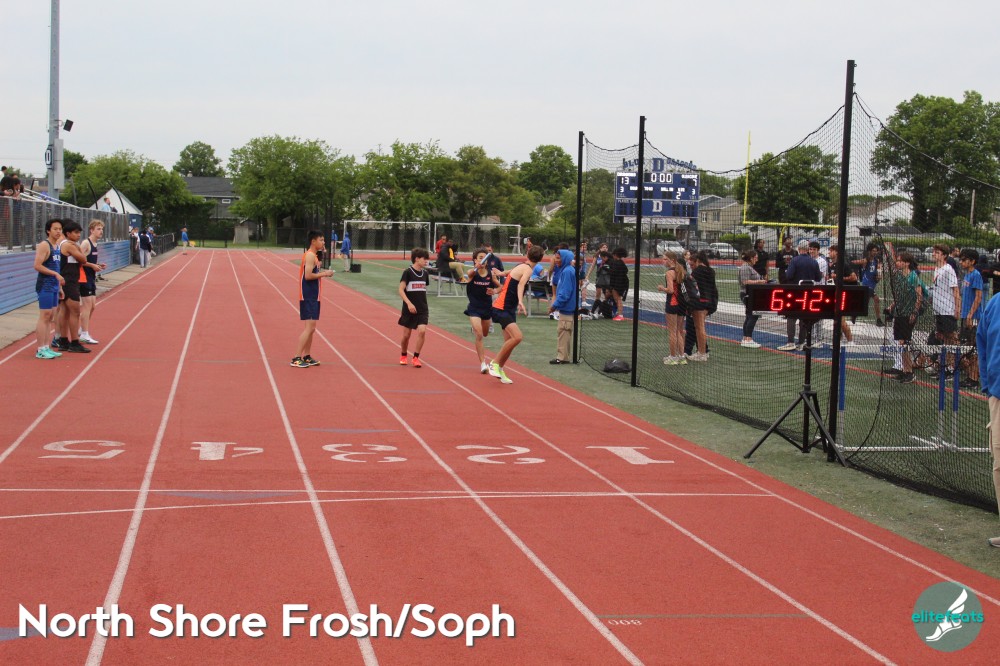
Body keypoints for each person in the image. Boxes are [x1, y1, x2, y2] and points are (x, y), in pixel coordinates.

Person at [488, 245, 545, 384]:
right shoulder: (528, 269)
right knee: (517, 337)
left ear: (527, 254)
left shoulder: (521, 266)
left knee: (509, 342)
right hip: (502, 308)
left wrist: (501, 273)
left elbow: (510, 272)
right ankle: (494, 363)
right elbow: (521, 285)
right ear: (541, 259)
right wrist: (520, 301)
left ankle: (500, 369)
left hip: (508, 309)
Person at [975, 288, 1000, 547]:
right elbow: (981, 341)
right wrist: (988, 384)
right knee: (999, 462)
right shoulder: (995, 304)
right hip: (998, 395)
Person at [290, 231, 335, 368]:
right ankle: (296, 358)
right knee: (309, 328)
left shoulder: (314, 256)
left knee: (312, 328)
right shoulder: (309, 255)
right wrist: (325, 274)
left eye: (323, 240)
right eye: (321, 240)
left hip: (314, 295)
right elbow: (308, 276)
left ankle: (307, 356)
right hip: (308, 295)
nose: (323, 242)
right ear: (313, 241)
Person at [54, 221, 100, 354]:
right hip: (69, 282)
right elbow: (83, 259)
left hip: (69, 280)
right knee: (74, 312)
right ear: (68, 233)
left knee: (65, 312)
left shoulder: (68, 244)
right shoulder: (69, 245)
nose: (78, 235)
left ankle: (63, 341)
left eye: (79, 232)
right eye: (75, 232)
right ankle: (74, 342)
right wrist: (78, 248)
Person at [777, 240, 822, 351]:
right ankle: (801, 342)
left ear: (799, 249)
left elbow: (789, 275)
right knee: (804, 318)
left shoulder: (795, 260)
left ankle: (791, 342)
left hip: (796, 291)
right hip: (809, 293)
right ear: (808, 249)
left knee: (791, 317)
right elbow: (818, 278)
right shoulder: (814, 262)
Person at [887, 251, 923, 384]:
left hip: (907, 314)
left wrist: (914, 312)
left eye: (900, 261)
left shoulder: (913, 276)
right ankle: (905, 369)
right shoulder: (900, 276)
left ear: (907, 263)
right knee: (901, 342)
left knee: (904, 342)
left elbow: (919, 296)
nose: (898, 263)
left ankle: (909, 372)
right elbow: (900, 296)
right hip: (899, 313)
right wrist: (892, 306)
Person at [32, 219, 65, 359]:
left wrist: (60, 287)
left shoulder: (57, 246)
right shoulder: (44, 245)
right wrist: (55, 274)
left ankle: (46, 347)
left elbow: (56, 266)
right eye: (55, 229)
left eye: (60, 229)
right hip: (45, 285)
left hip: (54, 286)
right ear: (48, 230)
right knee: (44, 315)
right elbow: (37, 265)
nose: (58, 231)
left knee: (51, 316)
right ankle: (40, 349)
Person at [464, 248, 500, 373]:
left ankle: (477, 327)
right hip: (474, 308)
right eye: (480, 258)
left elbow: (501, 287)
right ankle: (483, 364)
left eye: (485, 258)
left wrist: (494, 291)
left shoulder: (491, 274)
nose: (483, 260)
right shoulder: (472, 273)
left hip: (486, 309)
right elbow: (470, 273)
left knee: (485, 333)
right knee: (479, 334)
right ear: (475, 260)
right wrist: (476, 267)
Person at [930, 243, 961, 374]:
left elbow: (956, 290)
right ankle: (946, 365)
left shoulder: (948, 269)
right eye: (934, 252)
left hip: (947, 309)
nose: (933, 254)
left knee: (952, 338)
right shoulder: (937, 269)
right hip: (938, 309)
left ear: (944, 255)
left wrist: (957, 309)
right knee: (944, 338)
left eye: (937, 252)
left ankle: (954, 367)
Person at [398, 247, 431, 368]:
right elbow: (401, 290)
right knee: (406, 336)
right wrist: (409, 303)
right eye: (424, 258)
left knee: (422, 331)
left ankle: (416, 357)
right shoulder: (407, 272)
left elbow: (422, 289)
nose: (426, 261)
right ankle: (403, 355)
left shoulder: (425, 274)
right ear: (417, 259)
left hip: (422, 309)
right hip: (409, 309)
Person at [78, 220, 107, 345]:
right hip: (84, 278)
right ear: (91, 230)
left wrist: (98, 265)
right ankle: (84, 334)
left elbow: (89, 260)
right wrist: (92, 265)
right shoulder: (86, 243)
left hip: (91, 277)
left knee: (93, 306)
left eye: (102, 229)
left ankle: (81, 329)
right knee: (87, 306)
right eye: (98, 229)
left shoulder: (95, 244)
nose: (101, 231)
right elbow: (78, 259)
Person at [959, 248, 984, 388]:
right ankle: (971, 376)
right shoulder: (967, 275)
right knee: (967, 347)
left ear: (972, 261)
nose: (961, 262)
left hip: (973, 316)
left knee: (974, 347)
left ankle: (974, 379)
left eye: (964, 260)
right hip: (965, 315)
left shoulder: (976, 275)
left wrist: (970, 315)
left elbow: (978, 297)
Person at [658, 251, 688, 363]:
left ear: (672, 260)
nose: (663, 261)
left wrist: (662, 288)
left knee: (672, 331)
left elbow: (670, 290)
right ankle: (681, 356)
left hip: (673, 303)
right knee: (679, 331)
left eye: (665, 259)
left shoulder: (669, 273)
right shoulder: (681, 271)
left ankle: (673, 357)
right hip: (682, 304)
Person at [548, 248, 577, 364]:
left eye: (558, 258)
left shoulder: (567, 271)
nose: (556, 260)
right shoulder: (567, 270)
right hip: (567, 308)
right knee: (564, 333)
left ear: (565, 259)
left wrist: (554, 306)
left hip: (567, 308)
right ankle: (564, 356)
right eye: (555, 258)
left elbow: (565, 293)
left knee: (563, 332)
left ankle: (562, 358)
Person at [685, 251, 716, 359]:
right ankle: (702, 352)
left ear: (697, 260)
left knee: (699, 328)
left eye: (692, 264)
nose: (691, 266)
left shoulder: (697, 272)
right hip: (708, 302)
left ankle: (702, 353)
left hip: (699, 302)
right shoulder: (710, 270)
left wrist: (689, 303)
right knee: (699, 327)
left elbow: (692, 288)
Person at [738, 250, 767, 348]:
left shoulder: (749, 267)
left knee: (749, 316)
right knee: (753, 315)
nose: (757, 260)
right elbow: (745, 282)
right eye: (756, 257)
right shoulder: (745, 267)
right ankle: (748, 339)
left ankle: (745, 338)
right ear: (751, 258)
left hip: (751, 294)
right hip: (747, 294)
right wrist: (759, 282)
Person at [827, 246, 855, 346]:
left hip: (843, 294)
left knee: (841, 319)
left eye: (831, 251)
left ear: (837, 252)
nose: (829, 253)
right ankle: (838, 341)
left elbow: (854, 277)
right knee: (836, 319)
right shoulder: (832, 265)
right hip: (835, 293)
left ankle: (850, 341)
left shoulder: (843, 264)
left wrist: (839, 278)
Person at [854, 242, 882, 325]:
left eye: (876, 251)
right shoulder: (866, 260)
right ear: (869, 251)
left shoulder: (876, 261)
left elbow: (876, 272)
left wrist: (878, 277)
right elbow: (857, 262)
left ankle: (854, 314)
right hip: (866, 284)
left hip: (872, 284)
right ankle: (878, 320)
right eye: (873, 251)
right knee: (876, 299)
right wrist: (850, 263)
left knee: (865, 303)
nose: (875, 252)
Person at [608, 247, 630, 321]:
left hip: (619, 283)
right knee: (617, 298)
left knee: (618, 299)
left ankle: (620, 315)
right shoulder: (620, 263)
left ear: (615, 255)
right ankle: (619, 313)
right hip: (620, 283)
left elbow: (613, 272)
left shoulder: (617, 263)